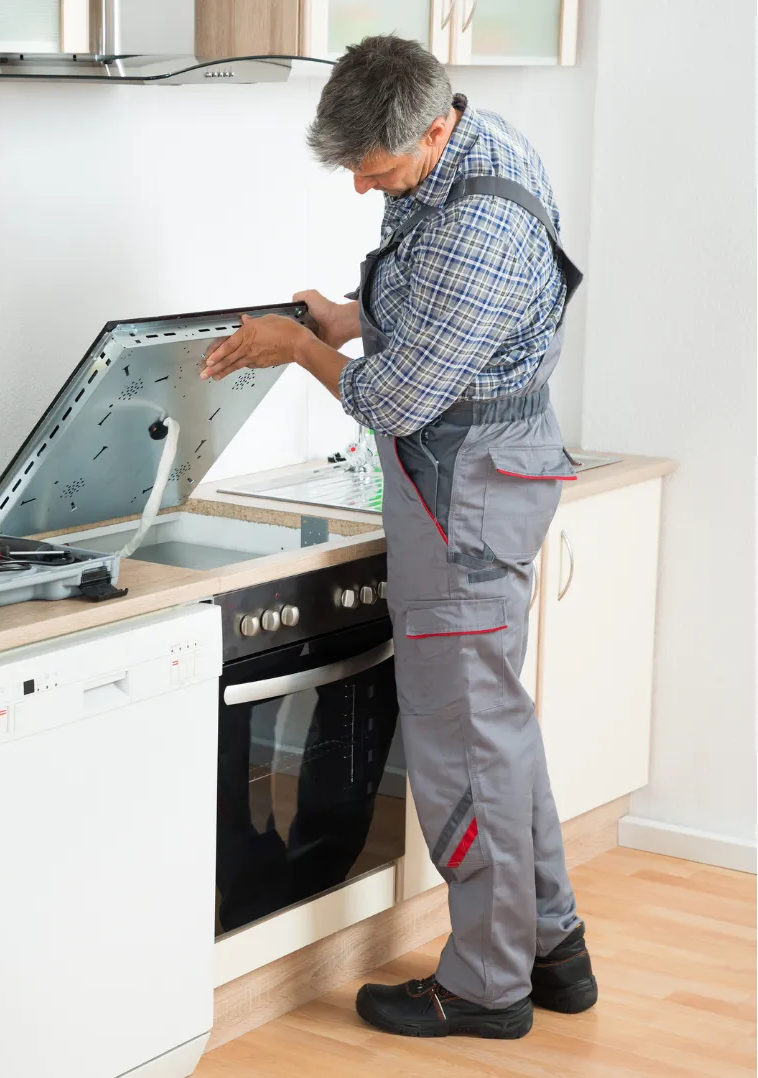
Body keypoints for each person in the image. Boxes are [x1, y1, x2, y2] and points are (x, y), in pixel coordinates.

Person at [201, 34, 596, 1040]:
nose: (360, 188)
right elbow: (436, 323)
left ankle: (485, 985)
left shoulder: (478, 227)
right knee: (494, 730)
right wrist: (349, 314)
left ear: (432, 126)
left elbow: (397, 398)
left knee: (464, 744)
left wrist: (297, 345)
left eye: (373, 171)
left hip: (461, 483)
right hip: (487, 467)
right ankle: (550, 949)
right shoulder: (474, 145)